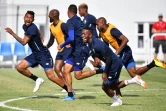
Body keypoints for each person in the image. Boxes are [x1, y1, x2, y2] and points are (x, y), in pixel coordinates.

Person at [5, 11, 69, 93]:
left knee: (51, 77)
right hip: (35, 54)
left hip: (44, 55)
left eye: (30, 18)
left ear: (33, 20)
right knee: (20, 68)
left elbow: (24, 42)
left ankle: (69, 90)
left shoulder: (32, 29)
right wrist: (41, 36)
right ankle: (37, 79)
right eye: (27, 17)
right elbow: (37, 30)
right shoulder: (25, 26)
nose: (28, 19)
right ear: (24, 18)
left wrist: (12, 33)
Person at [81, 27, 147, 106]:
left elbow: (109, 58)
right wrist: (96, 57)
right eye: (82, 34)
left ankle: (118, 100)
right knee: (112, 86)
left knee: (105, 86)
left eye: (85, 34)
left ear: (90, 35)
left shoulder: (97, 44)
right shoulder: (90, 44)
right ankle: (133, 81)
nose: (83, 36)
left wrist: (105, 72)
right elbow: (95, 53)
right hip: (113, 63)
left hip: (114, 64)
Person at [58, 4, 103, 101]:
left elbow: (71, 37)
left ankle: (100, 70)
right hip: (75, 50)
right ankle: (70, 95)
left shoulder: (70, 22)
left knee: (78, 76)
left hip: (81, 51)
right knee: (66, 71)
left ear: (68, 12)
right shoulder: (79, 20)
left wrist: (62, 45)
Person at [96, 17, 166, 78]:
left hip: (124, 52)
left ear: (102, 23)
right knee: (134, 75)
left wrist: (117, 52)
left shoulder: (112, 30)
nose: (96, 26)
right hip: (124, 52)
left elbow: (125, 39)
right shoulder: (102, 33)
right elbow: (106, 47)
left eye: (97, 24)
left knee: (114, 69)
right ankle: (153, 63)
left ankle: (116, 91)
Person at [46, 9, 72, 93]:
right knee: (57, 69)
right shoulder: (51, 26)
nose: (48, 16)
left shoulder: (63, 25)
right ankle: (66, 87)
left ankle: (69, 88)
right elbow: (51, 40)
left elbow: (70, 36)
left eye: (49, 15)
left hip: (67, 49)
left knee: (66, 70)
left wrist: (69, 43)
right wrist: (46, 46)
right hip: (60, 50)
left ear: (54, 16)